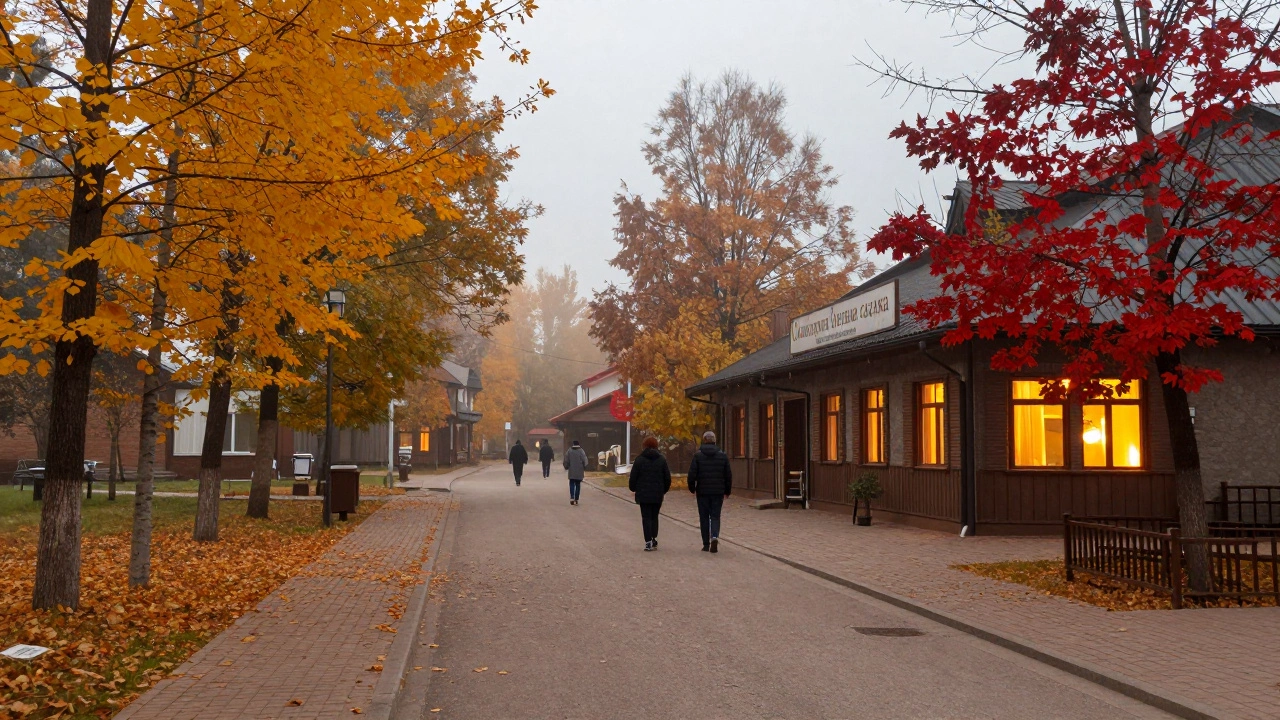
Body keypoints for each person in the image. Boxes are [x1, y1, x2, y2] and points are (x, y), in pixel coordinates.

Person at [687, 430, 732, 553]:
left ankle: (706, 544)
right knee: (715, 516)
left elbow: (692, 474)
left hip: (702, 492)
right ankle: (715, 536)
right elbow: (728, 475)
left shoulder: (698, 456)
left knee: (704, 517)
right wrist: (727, 491)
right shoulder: (722, 456)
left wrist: (692, 488)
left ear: (704, 440)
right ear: (714, 441)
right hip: (718, 491)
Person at [628, 436, 671, 551]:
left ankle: (647, 541)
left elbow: (633, 478)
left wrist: (633, 488)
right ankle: (653, 537)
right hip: (657, 494)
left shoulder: (639, 460)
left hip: (643, 494)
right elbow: (667, 478)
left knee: (646, 517)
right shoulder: (661, 460)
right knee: (654, 516)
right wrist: (663, 490)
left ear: (644, 446)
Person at [563, 439, 589, 505]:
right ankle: (576, 498)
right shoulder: (581, 451)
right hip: (579, 470)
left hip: (572, 470)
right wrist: (585, 466)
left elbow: (566, 459)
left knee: (571, 483)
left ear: (573, 444)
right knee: (578, 484)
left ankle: (572, 497)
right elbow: (584, 459)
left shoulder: (569, 451)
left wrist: (566, 466)